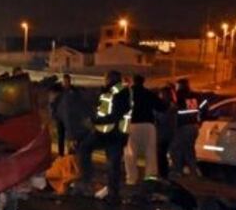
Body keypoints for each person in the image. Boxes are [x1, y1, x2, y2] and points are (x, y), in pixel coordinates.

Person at [75, 70, 131, 203]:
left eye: (106, 78)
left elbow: (115, 114)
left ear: (110, 79)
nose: (104, 80)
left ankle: (90, 183)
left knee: (107, 160)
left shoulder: (120, 93)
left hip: (112, 133)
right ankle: (110, 191)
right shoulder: (112, 92)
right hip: (108, 132)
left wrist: (94, 122)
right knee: (110, 162)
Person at [124, 74, 162, 184]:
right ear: (143, 82)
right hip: (148, 125)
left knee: (130, 153)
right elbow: (161, 107)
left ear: (133, 81)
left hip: (132, 124)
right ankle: (150, 177)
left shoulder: (128, 94)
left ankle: (131, 178)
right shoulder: (149, 94)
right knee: (150, 152)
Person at [50, 73, 87, 156]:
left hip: (70, 119)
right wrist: (54, 115)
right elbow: (53, 104)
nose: (66, 83)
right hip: (60, 118)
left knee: (71, 136)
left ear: (70, 81)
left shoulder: (73, 91)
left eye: (68, 81)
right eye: (65, 81)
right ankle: (61, 154)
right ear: (63, 82)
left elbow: (78, 103)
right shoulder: (59, 92)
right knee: (61, 136)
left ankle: (71, 154)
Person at [170, 78, 201, 176]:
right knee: (189, 150)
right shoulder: (194, 95)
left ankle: (177, 170)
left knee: (175, 148)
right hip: (194, 126)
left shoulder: (180, 95)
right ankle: (193, 171)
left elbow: (175, 106)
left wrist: (172, 90)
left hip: (184, 126)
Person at [154, 84, 177, 178]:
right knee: (162, 155)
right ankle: (164, 174)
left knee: (161, 155)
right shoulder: (172, 106)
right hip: (168, 134)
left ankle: (163, 175)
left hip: (164, 135)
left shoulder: (168, 108)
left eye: (162, 94)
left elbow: (163, 119)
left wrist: (155, 114)